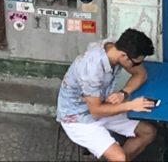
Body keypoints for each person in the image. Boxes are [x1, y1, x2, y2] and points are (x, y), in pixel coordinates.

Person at [56, 29, 158, 161]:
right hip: (79, 117)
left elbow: (141, 74)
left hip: (102, 105)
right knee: (119, 158)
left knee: (148, 132)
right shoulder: (91, 69)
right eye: (135, 63)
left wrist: (124, 92)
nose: (137, 66)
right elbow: (96, 111)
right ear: (124, 55)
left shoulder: (114, 48)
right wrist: (130, 105)